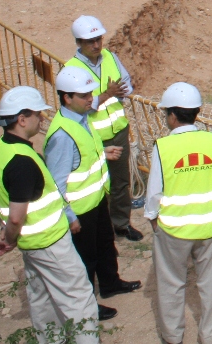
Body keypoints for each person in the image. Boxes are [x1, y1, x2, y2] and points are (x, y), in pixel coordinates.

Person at [0, 87, 99, 344]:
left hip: (32, 245)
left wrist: (11, 236)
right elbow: (16, 216)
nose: (43, 119)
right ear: (22, 119)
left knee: (42, 300)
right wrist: (9, 239)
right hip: (49, 242)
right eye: (38, 114)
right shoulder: (22, 161)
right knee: (79, 299)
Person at [45, 67, 141, 321]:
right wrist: (69, 216)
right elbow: (56, 183)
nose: (91, 99)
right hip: (80, 209)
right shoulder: (62, 134)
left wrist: (104, 152)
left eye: (90, 93)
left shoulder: (81, 118)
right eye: (84, 95)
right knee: (84, 259)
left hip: (96, 200)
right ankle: (88, 305)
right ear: (66, 97)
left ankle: (110, 283)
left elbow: (83, 156)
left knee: (105, 245)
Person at [145, 82, 212, 344]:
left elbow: (154, 193)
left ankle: (173, 337)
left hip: (174, 230)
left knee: (172, 284)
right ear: (196, 113)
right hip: (209, 227)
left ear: (172, 116)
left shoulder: (162, 148)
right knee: (209, 283)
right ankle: (211, 336)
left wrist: (153, 219)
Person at [63, 15, 142, 241]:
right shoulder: (72, 70)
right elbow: (77, 108)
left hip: (118, 131)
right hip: (92, 138)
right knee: (96, 185)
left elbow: (127, 85)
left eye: (99, 39)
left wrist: (119, 92)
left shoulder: (110, 57)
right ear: (79, 43)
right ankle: (101, 229)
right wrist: (107, 95)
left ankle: (121, 224)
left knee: (120, 182)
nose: (97, 45)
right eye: (90, 41)